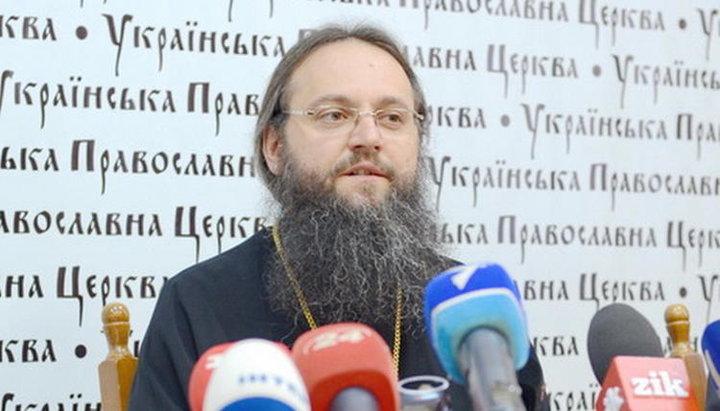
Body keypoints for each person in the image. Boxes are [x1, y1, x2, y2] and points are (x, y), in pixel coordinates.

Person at [128, 24, 547, 410]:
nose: (369, 138)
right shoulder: (198, 305)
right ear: (274, 146)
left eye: (392, 118)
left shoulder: (472, 313)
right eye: (334, 115)